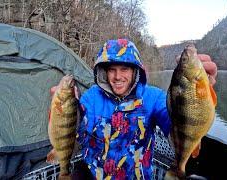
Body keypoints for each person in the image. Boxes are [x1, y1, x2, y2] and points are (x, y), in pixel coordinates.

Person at [51, 39, 217, 179]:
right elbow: (76, 133)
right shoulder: (91, 97)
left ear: (135, 70)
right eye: (111, 70)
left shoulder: (154, 97)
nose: (117, 77)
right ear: (103, 72)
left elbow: (179, 125)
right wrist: (61, 112)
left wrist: (198, 97)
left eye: (124, 69)